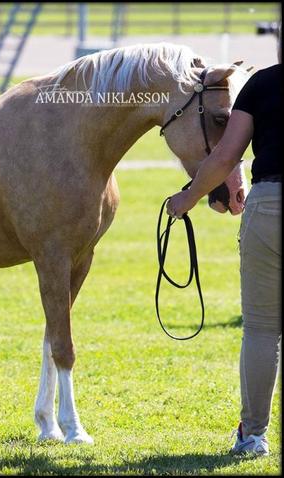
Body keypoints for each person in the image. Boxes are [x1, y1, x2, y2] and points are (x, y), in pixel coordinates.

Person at [167, 33, 281, 456]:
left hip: (268, 205)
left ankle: (252, 435)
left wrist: (187, 199)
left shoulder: (260, 85)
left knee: (262, 330)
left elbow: (225, 157)